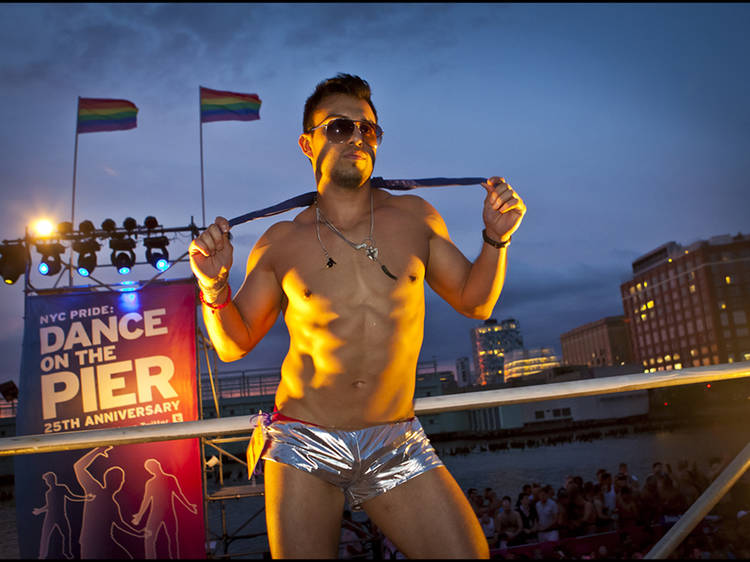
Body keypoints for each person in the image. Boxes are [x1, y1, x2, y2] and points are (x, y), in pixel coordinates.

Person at [188, 73, 526, 559]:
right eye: (340, 128)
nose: (357, 138)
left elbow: (476, 302)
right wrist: (213, 284)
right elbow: (232, 344)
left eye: (368, 130)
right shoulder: (280, 241)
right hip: (305, 443)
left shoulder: (416, 217)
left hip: (395, 440)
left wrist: (496, 239)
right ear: (308, 143)